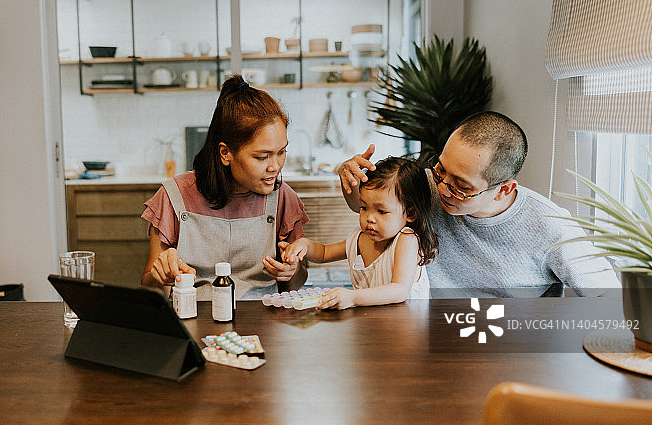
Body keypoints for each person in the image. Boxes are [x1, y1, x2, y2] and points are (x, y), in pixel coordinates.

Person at [338, 111, 620, 297]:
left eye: (461, 186)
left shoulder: (551, 226)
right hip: (426, 336)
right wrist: (351, 180)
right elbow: (371, 207)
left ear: (503, 189)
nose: (442, 188)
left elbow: (608, 297)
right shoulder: (427, 187)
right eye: (440, 170)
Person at [141, 75, 309, 299]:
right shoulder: (173, 196)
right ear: (225, 153)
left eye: (281, 152)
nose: (275, 166)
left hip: (263, 317)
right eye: (262, 157)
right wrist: (162, 275)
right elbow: (151, 288)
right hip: (192, 315)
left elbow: (295, 285)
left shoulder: (284, 198)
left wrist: (292, 271)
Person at [282, 157, 438, 309]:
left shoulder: (407, 239)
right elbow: (324, 253)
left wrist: (352, 297)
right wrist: (304, 245)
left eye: (381, 211)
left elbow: (399, 290)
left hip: (409, 321)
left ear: (410, 213)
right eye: (364, 207)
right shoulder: (361, 239)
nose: (369, 218)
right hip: (378, 320)